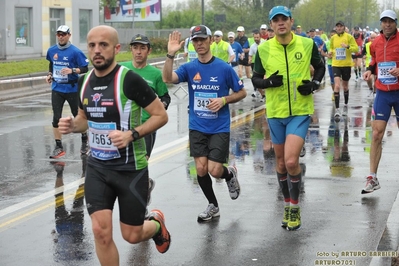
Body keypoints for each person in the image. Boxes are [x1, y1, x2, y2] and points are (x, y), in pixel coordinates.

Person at [57, 25, 171, 265]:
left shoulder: (130, 80)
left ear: (116, 48)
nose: (97, 51)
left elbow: (161, 116)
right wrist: (71, 125)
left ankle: (156, 224)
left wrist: (132, 134)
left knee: (132, 235)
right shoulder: (84, 81)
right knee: (100, 231)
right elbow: (83, 120)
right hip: (98, 168)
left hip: (130, 168)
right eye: (92, 45)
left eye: (103, 45)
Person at [162, 25, 247, 222]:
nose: (199, 44)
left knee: (215, 170)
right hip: (197, 125)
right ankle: (213, 206)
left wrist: (224, 100)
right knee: (200, 169)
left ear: (210, 40)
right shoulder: (190, 68)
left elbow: (241, 92)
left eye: (202, 39)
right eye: (195, 41)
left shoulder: (224, 68)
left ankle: (230, 174)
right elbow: (168, 78)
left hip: (219, 126)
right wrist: (170, 54)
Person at [251, 6, 325, 231]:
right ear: (271, 25)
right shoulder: (263, 50)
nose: (280, 23)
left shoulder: (306, 43)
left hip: (300, 112)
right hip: (275, 113)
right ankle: (286, 204)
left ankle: (295, 205)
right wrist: (267, 83)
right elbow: (255, 79)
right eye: (276, 20)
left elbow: (320, 67)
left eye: (284, 19)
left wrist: (313, 85)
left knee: (292, 161)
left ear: (291, 21)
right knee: (281, 163)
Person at [119, 33, 171, 215]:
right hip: (124, 127)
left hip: (146, 127)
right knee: (125, 166)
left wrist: (159, 106)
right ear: (131, 49)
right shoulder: (122, 69)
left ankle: (141, 206)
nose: (138, 52)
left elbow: (165, 98)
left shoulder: (155, 74)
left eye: (142, 48)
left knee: (141, 161)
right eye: (135, 48)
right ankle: (145, 184)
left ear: (148, 51)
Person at [361, 10, 399, 194]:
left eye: (390, 21)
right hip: (383, 93)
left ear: (395, 22)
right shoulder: (375, 42)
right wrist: (369, 70)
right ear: (381, 23)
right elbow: (374, 59)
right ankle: (372, 177)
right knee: (376, 134)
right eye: (384, 21)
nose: (387, 25)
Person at [45, 25, 89, 159]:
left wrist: (73, 70)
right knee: (56, 117)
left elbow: (85, 68)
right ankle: (58, 147)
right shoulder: (52, 50)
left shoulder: (75, 52)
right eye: (58, 34)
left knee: (78, 116)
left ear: (69, 35)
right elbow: (52, 64)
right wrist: (49, 74)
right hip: (57, 88)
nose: (61, 36)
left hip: (72, 88)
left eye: (63, 34)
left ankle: (84, 140)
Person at [328, 20, 358, 119]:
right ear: (335, 28)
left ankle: (345, 105)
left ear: (344, 27)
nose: (339, 28)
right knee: (337, 85)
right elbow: (331, 48)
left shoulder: (349, 37)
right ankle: (337, 110)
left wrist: (348, 46)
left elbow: (356, 49)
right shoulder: (333, 38)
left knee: (345, 86)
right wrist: (331, 52)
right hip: (336, 64)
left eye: (341, 27)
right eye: (337, 27)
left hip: (346, 65)